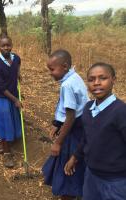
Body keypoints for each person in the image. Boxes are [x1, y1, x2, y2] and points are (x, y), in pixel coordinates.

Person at [65, 62, 126, 200]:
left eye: (102, 78)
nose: (96, 83)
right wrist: (75, 157)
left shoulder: (121, 112)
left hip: (116, 181)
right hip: (91, 175)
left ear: (113, 80)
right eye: (91, 79)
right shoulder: (88, 109)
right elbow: (86, 137)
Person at [42, 49, 89, 200]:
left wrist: (58, 142)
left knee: (68, 167)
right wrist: (57, 123)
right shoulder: (75, 76)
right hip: (82, 125)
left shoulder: (67, 85)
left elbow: (70, 117)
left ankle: (68, 194)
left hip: (74, 129)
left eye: (52, 69)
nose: (50, 73)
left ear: (65, 66)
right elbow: (67, 108)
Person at [0, 36, 22, 168]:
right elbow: (1, 87)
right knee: (5, 123)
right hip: (2, 97)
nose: (6, 48)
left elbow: (17, 66)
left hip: (13, 94)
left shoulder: (15, 58)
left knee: (13, 120)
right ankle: (7, 153)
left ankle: (8, 143)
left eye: (8, 45)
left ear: (12, 45)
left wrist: (18, 74)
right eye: (3, 46)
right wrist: (15, 100)